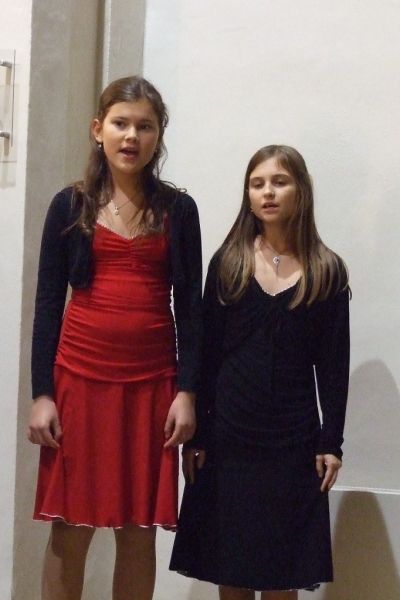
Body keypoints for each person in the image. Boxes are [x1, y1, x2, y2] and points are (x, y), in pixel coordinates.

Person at [28, 75, 202, 600]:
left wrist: (187, 391)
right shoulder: (69, 205)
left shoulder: (179, 211)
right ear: (97, 129)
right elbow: (47, 305)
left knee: (138, 530)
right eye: (121, 124)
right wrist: (42, 394)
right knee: (70, 527)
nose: (131, 136)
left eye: (144, 126)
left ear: (158, 135)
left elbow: (190, 309)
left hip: (152, 387)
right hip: (78, 382)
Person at [170, 145, 350, 600]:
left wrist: (331, 441)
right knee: (231, 566)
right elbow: (207, 354)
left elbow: (333, 367)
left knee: (282, 570)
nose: (268, 192)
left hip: (293, 440)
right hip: (229, 437)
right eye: (257, 184)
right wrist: (198, 436)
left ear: (300, 190)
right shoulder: (228, 262)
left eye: (279, 182)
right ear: (248, 196)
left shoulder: (326, 270)